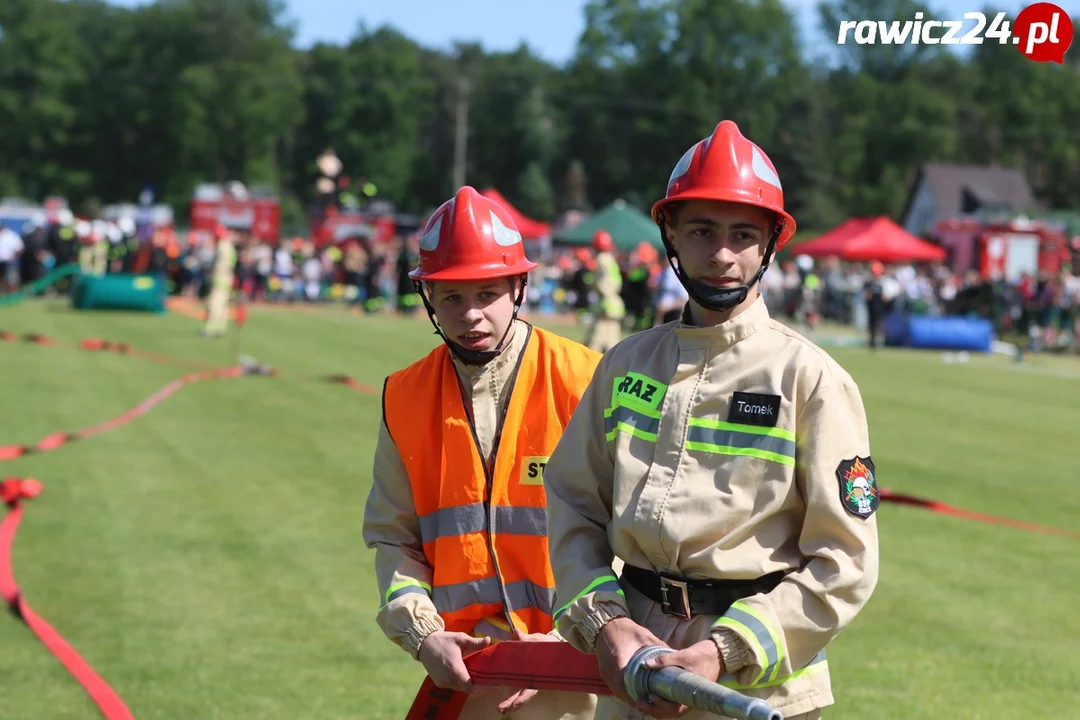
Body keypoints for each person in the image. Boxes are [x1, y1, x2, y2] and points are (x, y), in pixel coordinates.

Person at [543, 120, 880, 720]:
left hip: (753, 683)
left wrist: (726, 650)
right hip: (632, 663)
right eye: (701, 230)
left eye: (742, 233)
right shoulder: (625, 363)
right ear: (669, 231)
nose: (722, 253)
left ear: (772, 241)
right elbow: (572, 501)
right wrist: (606, 623)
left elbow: (845, 559)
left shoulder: (811, 379)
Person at [362, 186, 602, 719]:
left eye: (487, 293)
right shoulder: (404, 396)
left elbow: (634, 536)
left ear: (519, 287)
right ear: (428, 298)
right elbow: (394, 538)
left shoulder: (585, 378)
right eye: (451, 297)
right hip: (469, 674)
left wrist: (575, 637)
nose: (471, 315)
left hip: (578, 668)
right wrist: (424, 637)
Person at [584, 229, 626, 353]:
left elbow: (601, 283)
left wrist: (590, 282)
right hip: (615, 304)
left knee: (595, 342)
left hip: (606, 303)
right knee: (612, 342)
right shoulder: (611, 259)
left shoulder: (601, 260)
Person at [202, 225, 236, 337]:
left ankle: (212, 329)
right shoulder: (228, 245)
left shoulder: (222, 245)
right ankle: (220, 327)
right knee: (223, 304)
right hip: (226, 279)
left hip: (221, 278)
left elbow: (221, 266)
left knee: (215, 304)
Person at [863, 261, 887, 349]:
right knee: (871, 324)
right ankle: (872, 341)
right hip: (871, 306)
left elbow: (884, 296)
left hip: (879, 307)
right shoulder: (869, 283)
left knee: (878, 324)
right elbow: (866, 296)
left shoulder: (882, 282)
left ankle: (878, 341)